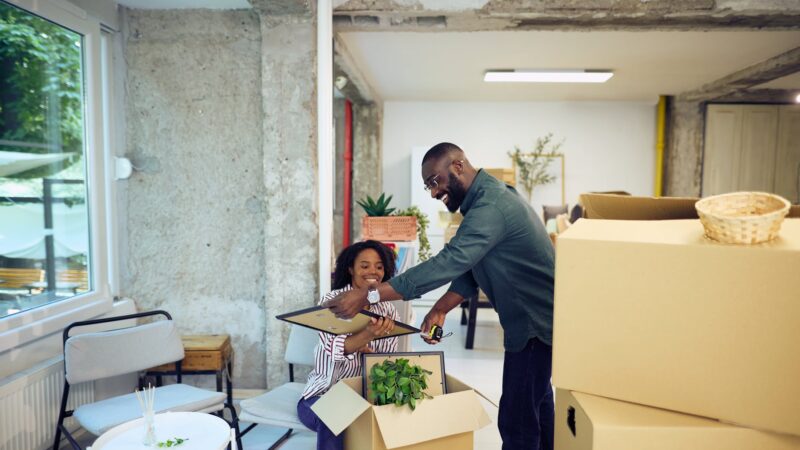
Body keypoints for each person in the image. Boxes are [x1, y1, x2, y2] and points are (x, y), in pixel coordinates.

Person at [324, 143, 556, 450]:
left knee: (518, 419)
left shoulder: (492, 207)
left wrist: (368, 295)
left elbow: (449, 262)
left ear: (458, 166)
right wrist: (440, 308)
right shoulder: (486, 202)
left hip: (534, 324)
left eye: (435, 181)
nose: (433, 193)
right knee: (537, 407)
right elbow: (470, 267)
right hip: (535, 322)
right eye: (428, 186)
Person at [298, 240, 399, 450]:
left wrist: (369, 351)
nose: (373, 271)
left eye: (379, 266)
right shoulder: (332, 301)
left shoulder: (388, 310)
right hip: (321, 395)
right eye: (364, 266)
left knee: (396, 415)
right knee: (335, 415)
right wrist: (367, 335)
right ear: (350, 269)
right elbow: (336, 350)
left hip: (365, 395)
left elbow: (387, 365)